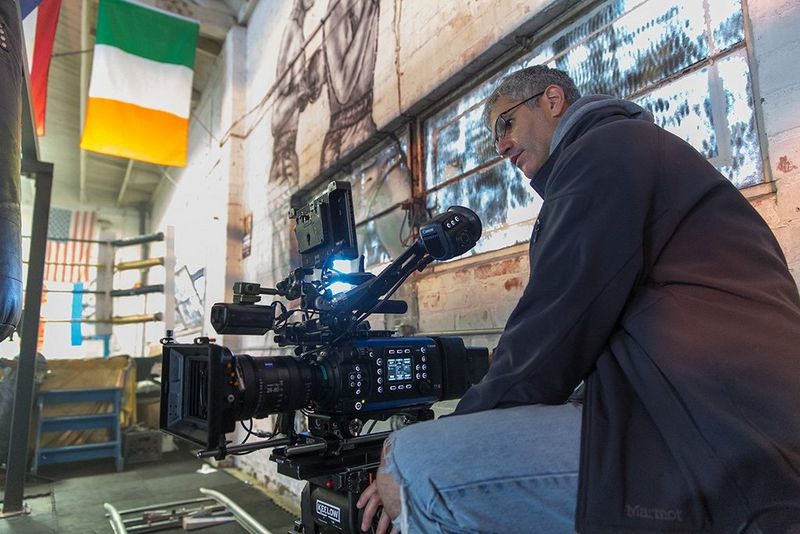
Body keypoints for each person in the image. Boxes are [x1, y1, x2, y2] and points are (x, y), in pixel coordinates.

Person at [356, 65, 800, 533]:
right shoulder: (625, 156)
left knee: (413, 462)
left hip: (711, 429)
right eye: (494, 138)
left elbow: (552, 331)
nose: (501, 146)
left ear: (552, 101)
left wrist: (455, 430)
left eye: (505, 123)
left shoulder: (607, 151)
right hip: (697, 410)